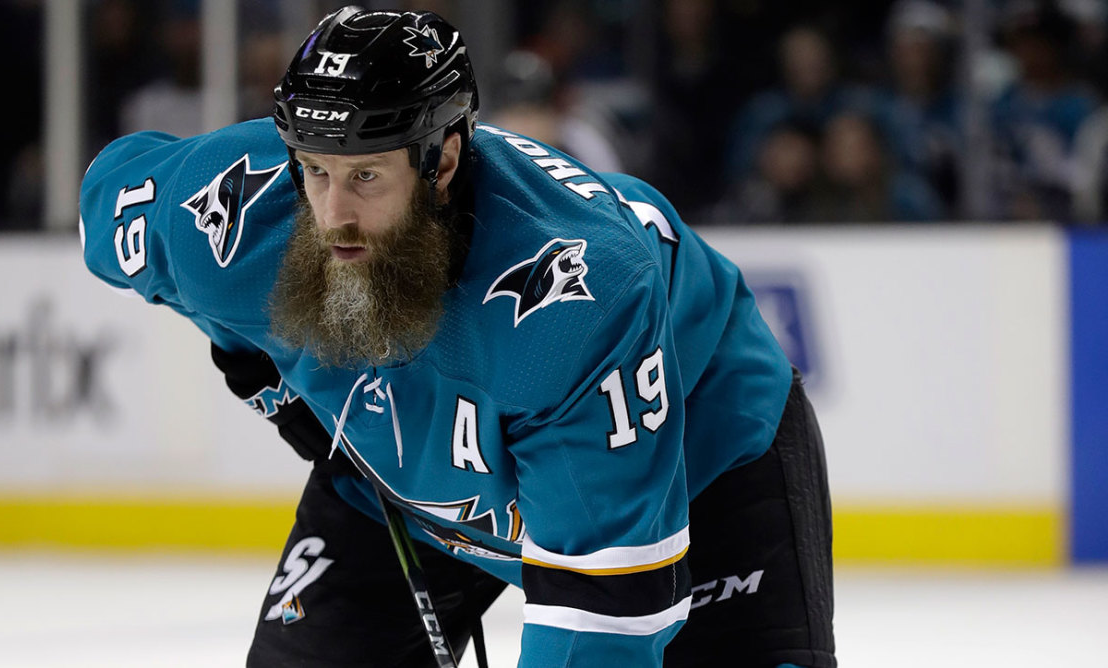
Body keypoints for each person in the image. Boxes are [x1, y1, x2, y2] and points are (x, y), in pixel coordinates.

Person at [79, 7, 836, 667]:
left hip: (700, 460)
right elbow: (107, 204)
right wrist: (255, 367)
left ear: (441, 160)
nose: (332, 215)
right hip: (399, 482)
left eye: (367, 177)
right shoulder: (234, 211)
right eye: (315, 170)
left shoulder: (577, 302)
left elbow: (601, 624)